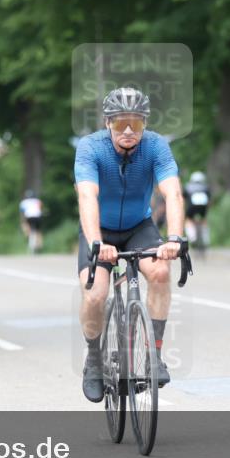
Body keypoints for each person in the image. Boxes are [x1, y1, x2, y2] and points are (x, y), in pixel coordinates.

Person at [75, 86, 185, 403]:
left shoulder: (156, 146)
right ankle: (94, 360)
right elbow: (87, 196)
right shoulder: (90, 148)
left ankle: (155, 356)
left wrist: (175, 238)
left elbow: (173, 193)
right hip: (100, 230)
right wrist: (97, 242)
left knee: (161, 273)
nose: (127, 130)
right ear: (107, 122)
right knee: (95, 294)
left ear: (144, 125)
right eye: (120, 122)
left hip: (139, 226)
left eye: (135, 123)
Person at [183, 171, 211, 248]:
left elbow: (184, 199)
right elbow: (209, 201)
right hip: (203, 207)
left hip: (191, 206)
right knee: (203, 220)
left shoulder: (187, 186)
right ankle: (205, 239)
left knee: (188, 220)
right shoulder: (206, 187)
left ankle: (192, 237)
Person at [19, 189, 43, 253]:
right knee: (38, 231)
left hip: (29, 217)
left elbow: (22, 213)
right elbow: (40, 208)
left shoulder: (23, 202)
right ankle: (39, 245)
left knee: (26, 227)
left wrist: (23, 221)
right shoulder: (38, 201)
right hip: (38, 217)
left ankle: (28, 236)